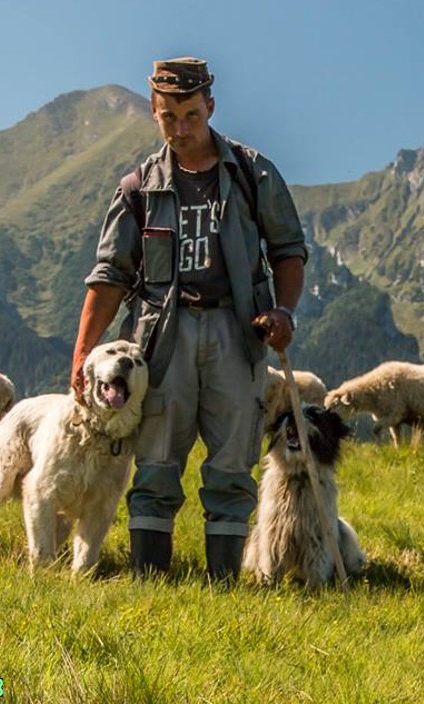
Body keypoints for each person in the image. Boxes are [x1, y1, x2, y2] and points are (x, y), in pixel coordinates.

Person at [70, 57, 307, 581]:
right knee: (154, 461)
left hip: (237, 332)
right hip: (161, 340)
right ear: (154, 113)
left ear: (211, 108)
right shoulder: (138, 187)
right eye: (168, 117)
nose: (181, 128)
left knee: (230, 464)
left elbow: (289, 249)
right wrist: (84, 352)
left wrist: (283, 311)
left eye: (191, 116)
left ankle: (221, 585)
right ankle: (150, 582)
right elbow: (109, 275)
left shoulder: (251, 172)